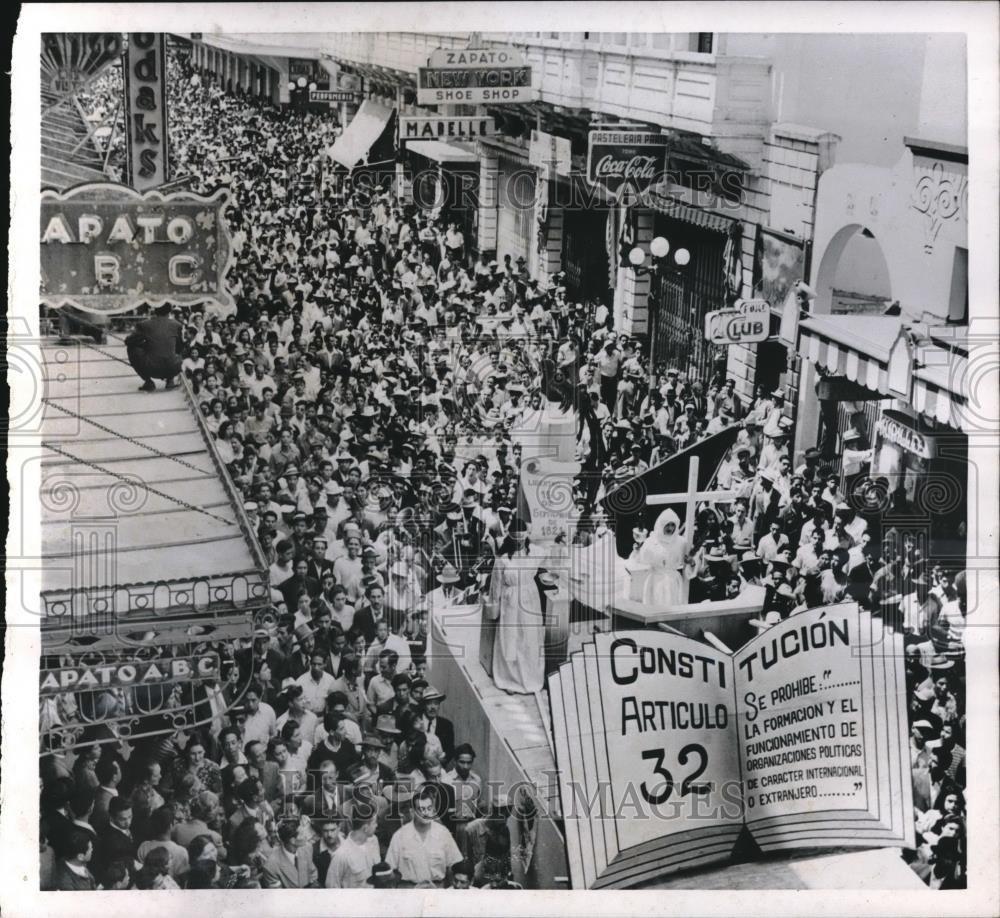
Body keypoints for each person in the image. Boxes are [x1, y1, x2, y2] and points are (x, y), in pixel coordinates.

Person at [487, 519, 546, 695]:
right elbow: (495, 585)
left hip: (529, 599)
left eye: (522, 538)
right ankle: (510, 679)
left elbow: (554, 554)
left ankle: (531, 678)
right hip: (510, 601)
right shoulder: (503, 559)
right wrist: (494, 607)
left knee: (528, 638)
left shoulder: (535, 552)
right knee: (511, 638)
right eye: (516, 539)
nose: (519, 542)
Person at [385, 787, 464, 888]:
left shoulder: (443, 833)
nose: (426, 813)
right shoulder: (400, 836)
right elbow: (390, 869)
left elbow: (455, 865)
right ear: (412, 812)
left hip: (436, 890)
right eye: (421, 809)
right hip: (409, 891)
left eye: (429, 808)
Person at [125, 303, 185, 391]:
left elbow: (129, 341)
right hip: (173, 367)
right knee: (177, 351)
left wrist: (144, 344)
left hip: (151, 368)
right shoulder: (177, 325)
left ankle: (148, 382)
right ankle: (170, 380)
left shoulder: (144, 324)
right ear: (169, 311)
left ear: (155, 311)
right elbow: (179, 347)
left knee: (131, 349)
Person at [637, 509, 688, 607]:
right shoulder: (651, 541)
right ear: (661, 525)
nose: (670, 528)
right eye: (667, 525)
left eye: (672, 525)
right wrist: (637, 550)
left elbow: (689, 564)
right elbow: (640, 560)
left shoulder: (681, 542)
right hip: (656, 581)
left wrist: (691, 562)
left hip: (673, 582)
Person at [325, 811, 380, 888]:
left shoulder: (373, 842)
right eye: (374, 823)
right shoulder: (341, 854)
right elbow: (332, 886)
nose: (377, 825)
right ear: (365, 828)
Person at [261, 818, 319, 888]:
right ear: (293, 840)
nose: (306, 836)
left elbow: (313, 873)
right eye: (302, 834)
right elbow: (278, 895)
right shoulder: (271, 866)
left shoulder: (307, 848)